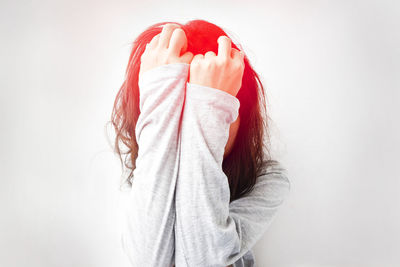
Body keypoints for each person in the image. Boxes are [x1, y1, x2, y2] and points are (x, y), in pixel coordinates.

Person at [110, 20, 291, 267]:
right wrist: (163, 94)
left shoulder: (268, 179)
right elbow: (147, 261)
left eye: (212, 114)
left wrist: (209, 107)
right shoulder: (136, 178)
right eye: (177, 111)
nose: (189, 124)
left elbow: (202, 260)